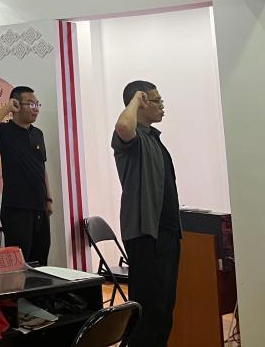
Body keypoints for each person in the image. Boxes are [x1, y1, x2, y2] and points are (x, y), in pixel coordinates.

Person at [113, 81, 181, 347]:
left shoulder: (153, 138)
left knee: (164, 308)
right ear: (141, 103)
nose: (162, 106)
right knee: (148, 309)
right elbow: (123, 126)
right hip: (145, 233)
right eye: (156, 100)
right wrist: (134, 101)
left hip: (166, 234)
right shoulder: (132, 139)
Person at [0, 86, 53, 265]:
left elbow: (42, 167)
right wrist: (7, 107)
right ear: (17, 105)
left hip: (40, 207)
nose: (36, 108)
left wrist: (49, 199)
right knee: (19, 264)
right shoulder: (5, 131)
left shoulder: (37, 133)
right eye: (31, 104)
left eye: (37, 104)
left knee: (41, 262)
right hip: (16, 209)